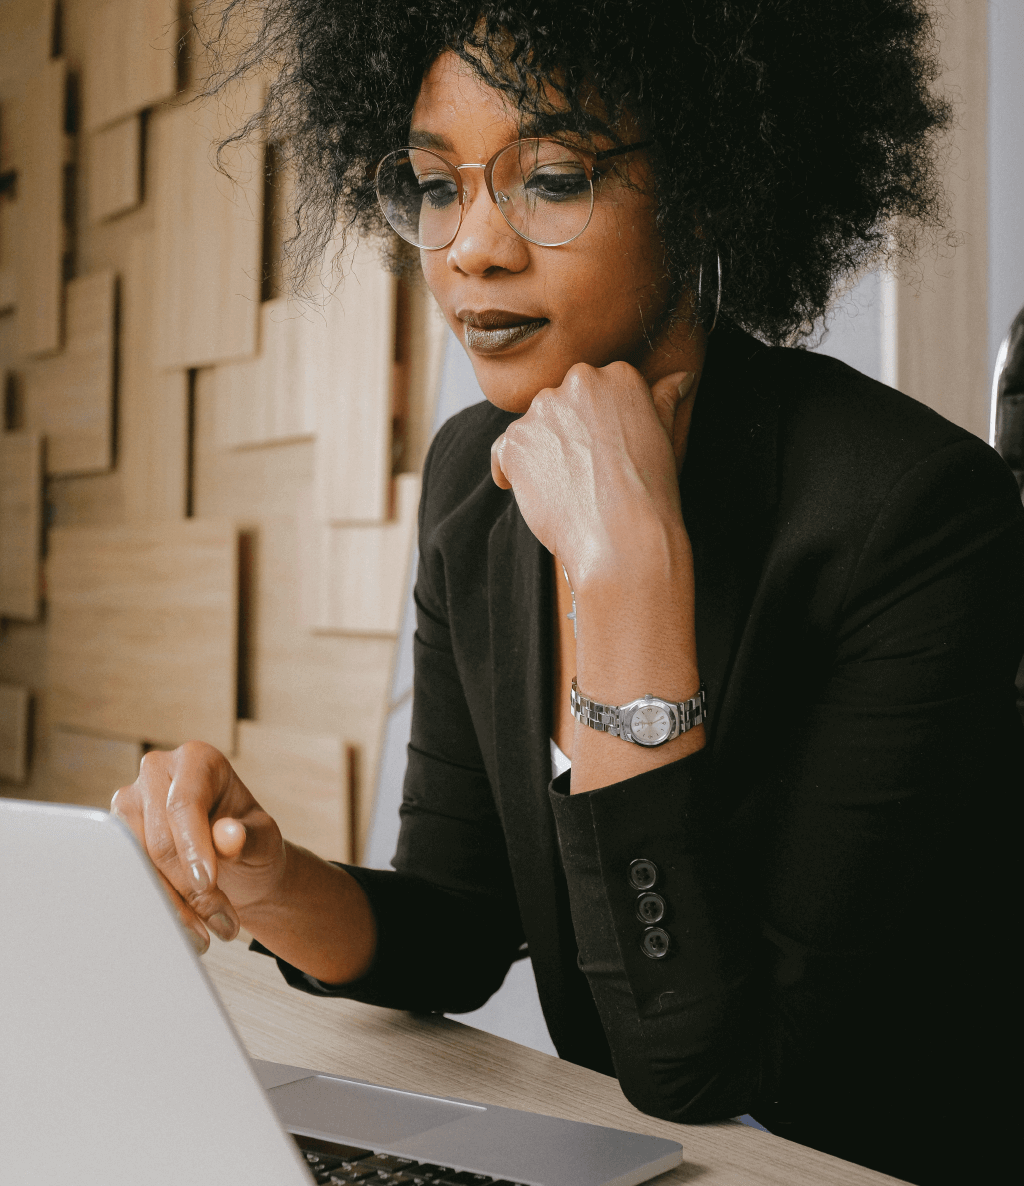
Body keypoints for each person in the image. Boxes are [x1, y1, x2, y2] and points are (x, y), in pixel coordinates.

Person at [112, 3, 1024, 1182]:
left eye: (548, 178)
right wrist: (273, 882)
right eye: (438, 185)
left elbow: (731, 1071)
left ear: (702, 189)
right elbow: (459, 922)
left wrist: (628, 582)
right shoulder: (471, 478)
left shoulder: (911, 510)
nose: (470, 248)